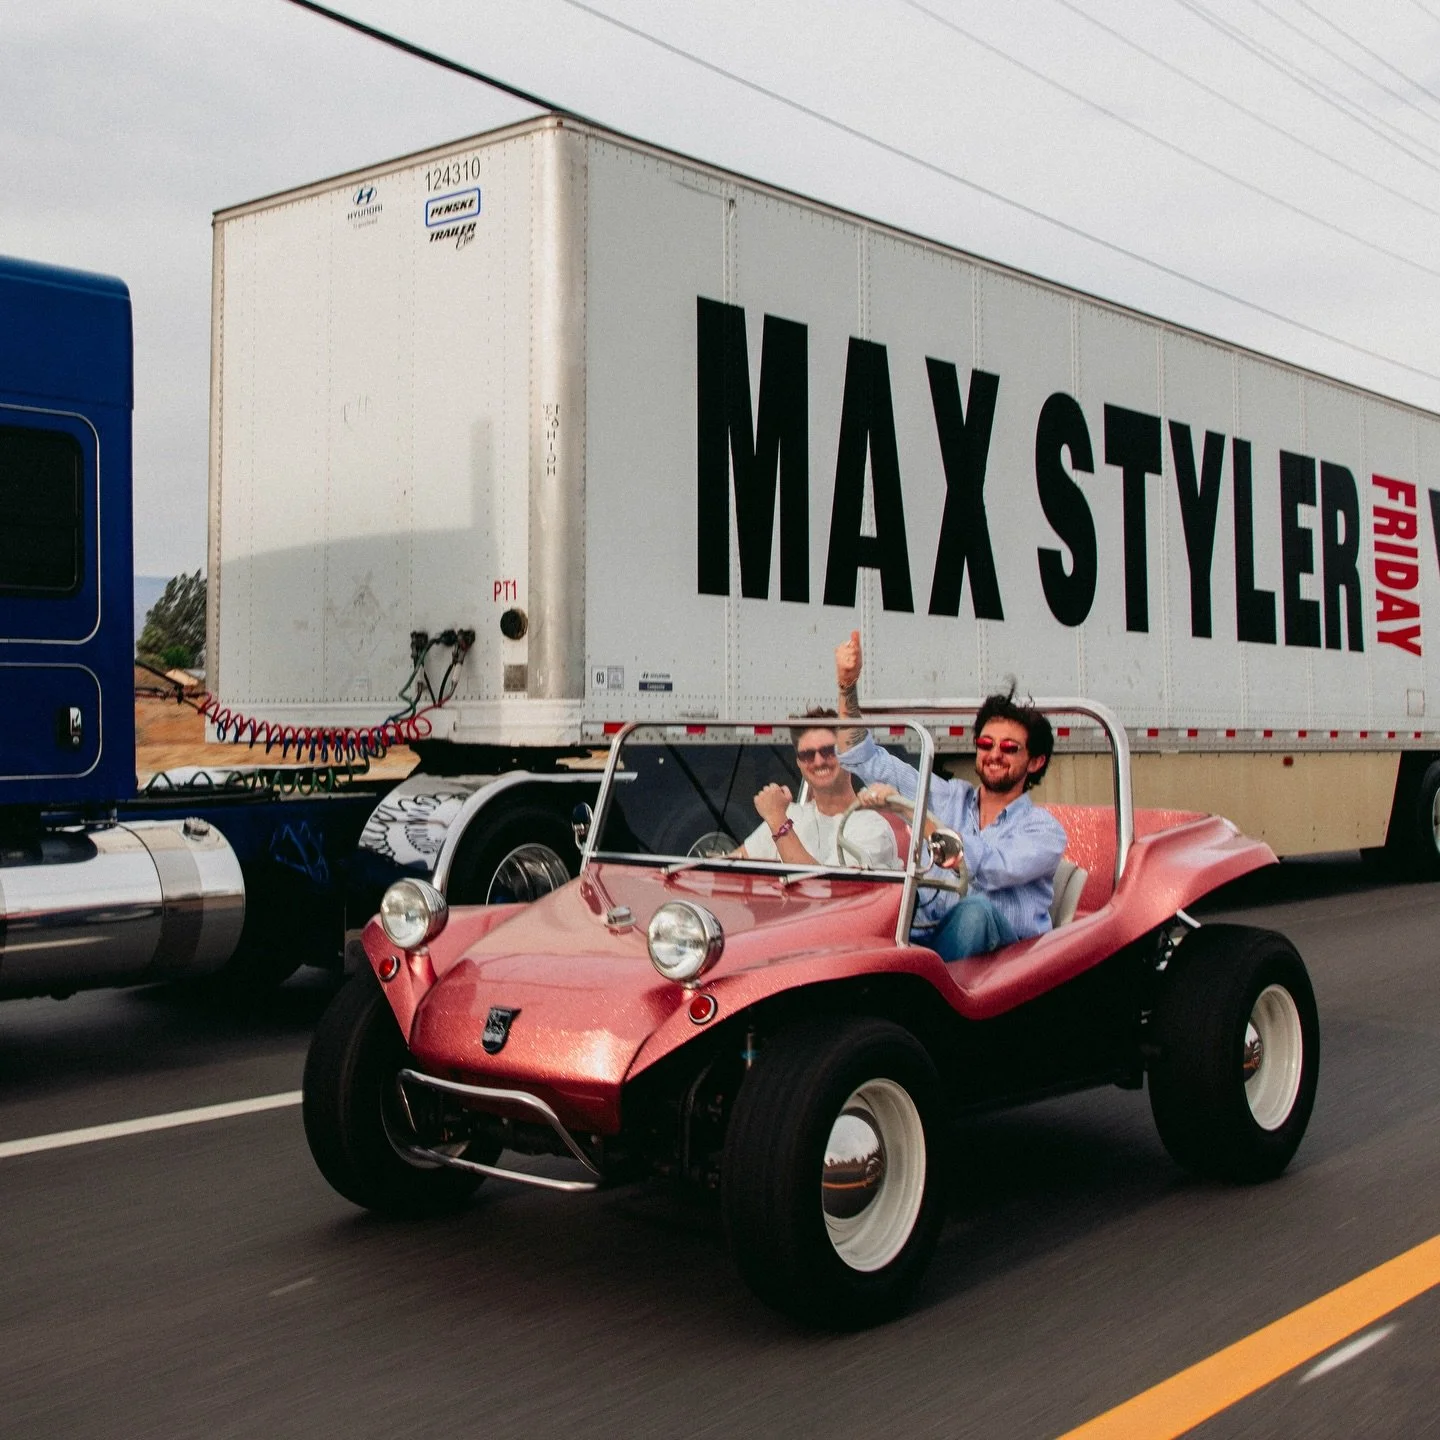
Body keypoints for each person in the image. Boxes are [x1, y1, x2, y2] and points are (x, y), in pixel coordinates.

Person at [834, 631, 1066, 959]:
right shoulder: (949, 796)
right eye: (986, 744)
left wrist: (913, 813)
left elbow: (987, 870)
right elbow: (863, 757)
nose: (995, 754)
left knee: (976, 912)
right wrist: (847, 687)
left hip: (1005, 964)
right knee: (875, 898)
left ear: (1036, 761)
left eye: (1010, 748)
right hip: (929, 939)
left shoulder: (1044, 831)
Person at [736, 709, 899, 869]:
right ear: (799, 764)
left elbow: (824, 887)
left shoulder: (872, 827)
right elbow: (732, 863)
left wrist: (779, 822)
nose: (819, 761)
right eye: (807, 755)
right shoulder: (791, 815)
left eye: (828, 751)